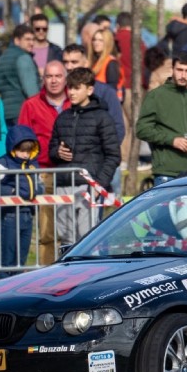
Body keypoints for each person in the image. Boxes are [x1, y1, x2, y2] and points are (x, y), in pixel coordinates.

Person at [49, 68, 122, 244]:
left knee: (87, 239)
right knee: (66, 239)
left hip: (88, 187)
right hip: (64, 184)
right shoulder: (62, 117)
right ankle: (66, 273)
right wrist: (57, 152)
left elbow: (113, 155)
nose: (71, 92)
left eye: (77, 88)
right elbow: (51, 150)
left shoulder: (102, 118)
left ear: (89, 90)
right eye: (70, 87)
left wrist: (99, 185)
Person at [17, 60, 71, 266]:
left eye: (58, 76)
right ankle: (47, 271)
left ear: (65, 78)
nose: (54, 80)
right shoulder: (31, 105)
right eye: (49, 76)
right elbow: (22, 140)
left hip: (71, 173)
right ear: (43, 79)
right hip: (45, 172)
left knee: (73, 231)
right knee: (47, 232)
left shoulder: (74, 102)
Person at [136, 51, 187, 186]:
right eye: (179, 70)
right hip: (168, 173)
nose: (183, 75)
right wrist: (171, 140)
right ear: (172, 70)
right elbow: (142, 129)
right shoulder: (156, 96)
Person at [0, 125, 44, 278]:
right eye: (22, 150)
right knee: (7, 257)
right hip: (10, 215)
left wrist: (38, 191)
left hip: (27, 214)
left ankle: (16, 288)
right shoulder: (4, 163)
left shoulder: (33, 165)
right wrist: (10, 192)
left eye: (28, 151)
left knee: (21, 256)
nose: (25, 155)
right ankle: (2, 289)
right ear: (13, 148)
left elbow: (40, 183)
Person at [0, 24, 41, 125]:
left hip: (5, 113)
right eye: (27, 39)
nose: (31, 43)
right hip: (22, 113)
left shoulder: (1, 58)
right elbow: (32, 92)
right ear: (17, 40)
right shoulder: (23, 58)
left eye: (33, 39)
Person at [88, 27, 122, 93]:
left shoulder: (111, 62)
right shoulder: (94, 61)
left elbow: (112, 88)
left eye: (101, 40)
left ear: (107, 42)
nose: (96, 43)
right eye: (94, 40)